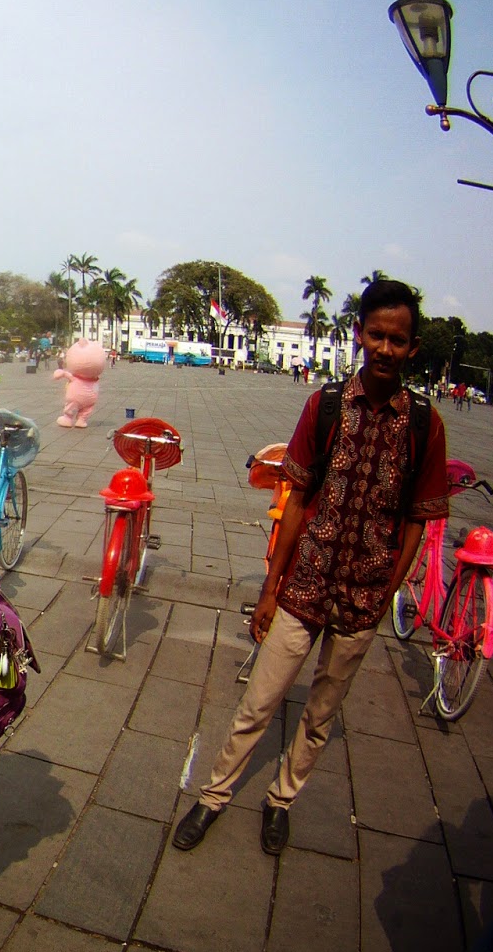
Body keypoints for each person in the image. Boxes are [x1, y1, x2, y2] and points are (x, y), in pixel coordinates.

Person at [172, 280, 448, 856]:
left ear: (413, 347)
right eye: (376, 334)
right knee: (259, 702)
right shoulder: (326, 405)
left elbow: (416, 522)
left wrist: (385, 595)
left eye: (398, 339)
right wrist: (270, 589)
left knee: (321, 715)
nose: (386, 348)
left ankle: (281, 800)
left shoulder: (426, 424)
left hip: (363, 599)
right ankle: (214, 794)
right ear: (360, 334)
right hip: (305, 584)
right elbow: (296, 499)